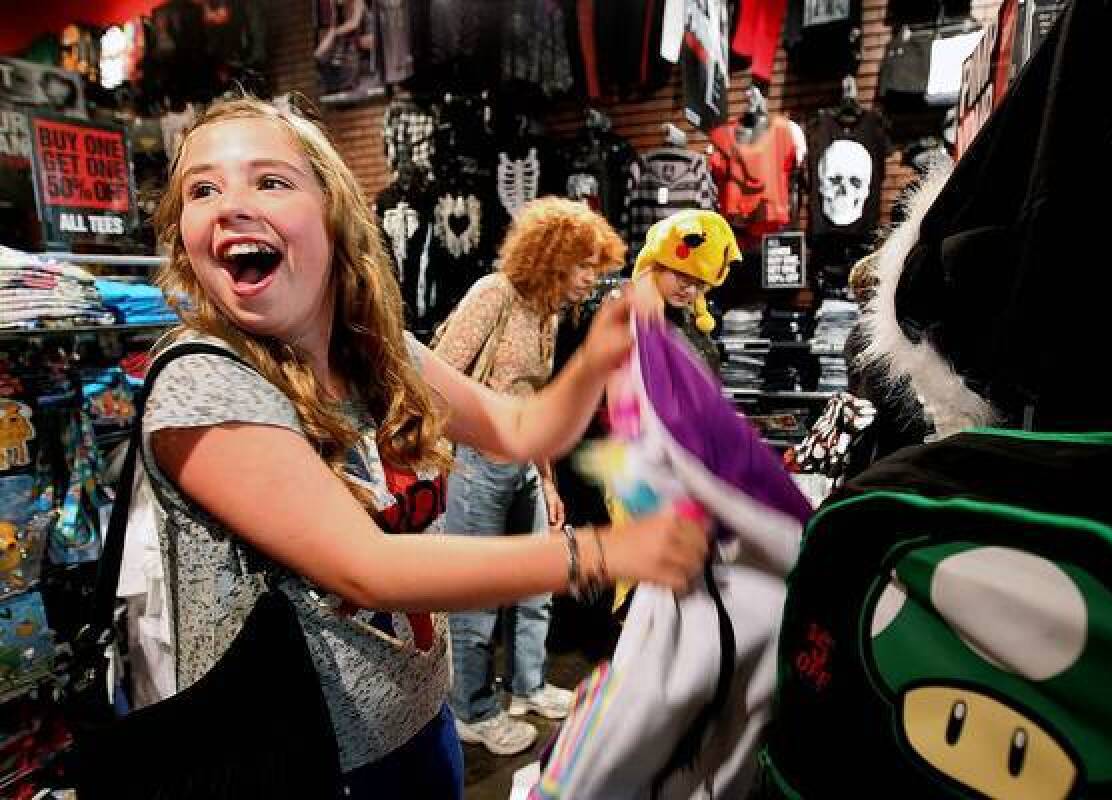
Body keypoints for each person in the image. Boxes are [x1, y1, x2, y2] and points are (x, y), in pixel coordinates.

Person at [145, 94, 708, 798]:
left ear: (332, 213)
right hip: (298, 767)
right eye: (202, 188)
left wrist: (597, 359)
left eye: (269, 180)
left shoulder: (377, 352)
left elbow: (519, 428)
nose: (230, 204)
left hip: (416, 728)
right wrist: (599, 553)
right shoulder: (203, 378)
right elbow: (367, 568)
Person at [433, 197, 623, 754]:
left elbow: (532, 400)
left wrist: (546, 478)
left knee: (539, 579)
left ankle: (528, 686)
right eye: (583, 264)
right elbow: (437, 376)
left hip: (522, 463)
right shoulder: (493, 294)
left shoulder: (548, 312)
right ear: (551, 257)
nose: (592, 277)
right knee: (476, 591)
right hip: (476, 462)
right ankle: (473, 709)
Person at [631, 209, 742, 374]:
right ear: (656, 265)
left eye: (699, 285)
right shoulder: (627, 318)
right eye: (682, 277)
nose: (689, 290)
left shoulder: (690, 320)